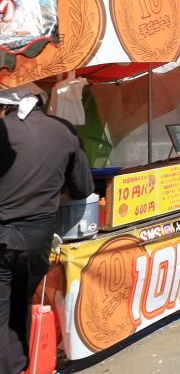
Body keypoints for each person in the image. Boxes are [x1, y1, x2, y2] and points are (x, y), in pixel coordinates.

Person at [0, 86, 93, 374]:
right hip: (38, 236)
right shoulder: (63, 130)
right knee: (21, 302)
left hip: (3, 234)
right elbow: (83, 188)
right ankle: (21, 366)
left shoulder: (3, 130)